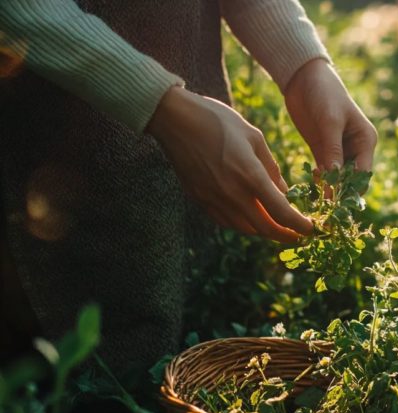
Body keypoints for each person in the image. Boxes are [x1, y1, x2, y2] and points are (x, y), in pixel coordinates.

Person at [0, 0, 377, 377]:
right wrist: (158, 104)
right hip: (42, 169)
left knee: (194, 355)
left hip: (193, 137)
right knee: (83, 387)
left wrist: (304, 66)